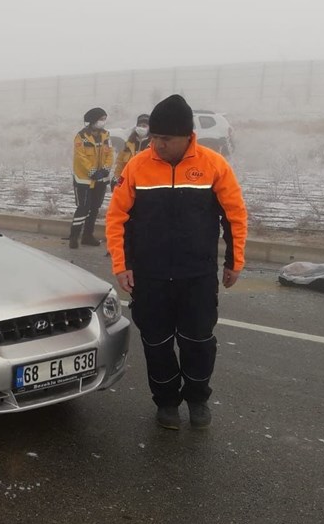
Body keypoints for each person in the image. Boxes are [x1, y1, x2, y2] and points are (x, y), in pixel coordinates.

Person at [105, 94, 248, 430]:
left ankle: (198, 399)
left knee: (198, 342)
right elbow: (117, 218)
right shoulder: (138, 165)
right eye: (153, 137)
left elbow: (234, 215)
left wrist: (235, 260)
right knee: (156, 344)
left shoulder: (213, 165)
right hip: (150, 278)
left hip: (196, 276)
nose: (156, 144)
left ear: (187, 136)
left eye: (164, 139)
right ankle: (166, 403)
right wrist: (121, 265)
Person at [68, 107, 113, 249]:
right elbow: (80, 157)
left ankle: (88, 236)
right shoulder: (80, 137)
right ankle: (73, 237)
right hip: (84, 179)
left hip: (101, 179)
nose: (103, 122)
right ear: (93, 120)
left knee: (94, 208)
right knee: (83, 208)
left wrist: (106, 169)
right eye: (101, 119)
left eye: (104, 119)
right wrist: (92, 171)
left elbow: (109, 154)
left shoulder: (106, 135)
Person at [111, 113, 150, 190]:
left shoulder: (153, 145)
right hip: (128, 183)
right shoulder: (129, 144)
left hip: (145, 184)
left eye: (144, 126)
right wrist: (116, 178)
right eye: (139, 125)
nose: (141, 128)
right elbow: (120, 163)